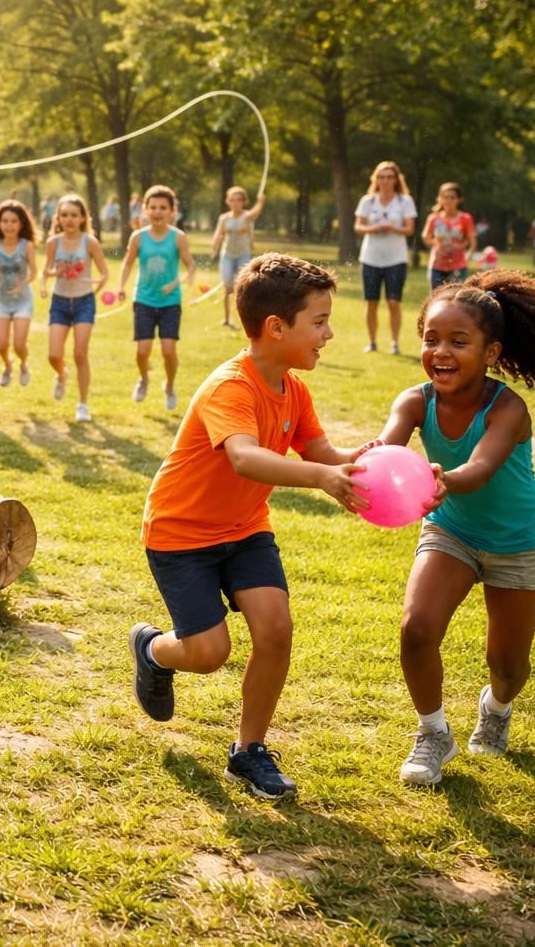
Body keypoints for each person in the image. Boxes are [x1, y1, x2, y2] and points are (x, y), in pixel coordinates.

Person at [129, 253, 381, 799]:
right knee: (208, 654)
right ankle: (152, 650)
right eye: (319, 322)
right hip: (182, 534)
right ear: (275, 327)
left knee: (275, 629)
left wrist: (374, 462)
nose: (329, 333)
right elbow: (244, 457)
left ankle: (248, 752)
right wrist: (320, 476)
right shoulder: (232, 387)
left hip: (244, 528)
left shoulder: (294, 388)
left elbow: (323, 452)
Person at [379, 270, 535, 786]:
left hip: (517, 542)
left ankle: (496, 709)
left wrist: (441, 479)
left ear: (491, 352)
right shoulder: (414, 401)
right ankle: (434, 734)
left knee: (507, 665)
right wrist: (361, 468)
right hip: (451, 529)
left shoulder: (508, 409)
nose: (441, 352)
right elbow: (385, 449)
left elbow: (479, 468)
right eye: (431, 339)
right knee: (416, 628)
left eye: (458, 341)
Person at [120, 185, 198, 411]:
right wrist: (121, 286)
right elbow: (127, 263)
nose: (157, 211)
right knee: (142, 351)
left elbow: (191, 267)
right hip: (143, 300)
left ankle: (170, 386)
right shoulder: (138, 237)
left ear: (172, 211)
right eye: (152, 207)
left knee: (168, 351)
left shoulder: (178, 237)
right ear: (144, 210)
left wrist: (177, 282)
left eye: (163, 207)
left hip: (170, 302)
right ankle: (143, 379)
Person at [39, 193, 109, 422]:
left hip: (84, 302)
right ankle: (61, 374)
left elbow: (104, 273)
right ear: (58, 217)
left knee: (80, 354)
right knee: (53, 354)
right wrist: (51, 275)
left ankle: (82, 405)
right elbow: (45, 271)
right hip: (59, 302)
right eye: (64, 215)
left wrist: (97, 287)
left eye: (74, 215)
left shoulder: (90, 242)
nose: (69, 219)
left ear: (82, 218)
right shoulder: (53, 243)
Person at [354, 160, 417, 354]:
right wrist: (373, 228)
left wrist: (393, 228)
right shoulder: (368, 200)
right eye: (382, 176)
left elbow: (409, 229)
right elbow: (358, 226)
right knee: (371, 302)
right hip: (371, 258)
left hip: (396, 259)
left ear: (396, 180)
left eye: (390, 177)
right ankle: (372, 342)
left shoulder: (404, 201)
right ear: (376, 179)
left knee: (393, 302)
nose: (386, 180)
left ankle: (394, 342)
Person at [0, 199, 38, 389]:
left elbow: (35, 272)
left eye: (13, 221)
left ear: (21, 224)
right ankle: (7, 366)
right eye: (5, 221)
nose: (9, 225)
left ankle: (23, 364)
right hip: (1, 301)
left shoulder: (27, 246)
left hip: (22, 302)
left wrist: (23, 284)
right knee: (1, 345)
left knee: (19, 345)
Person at [210, 186, 266, 330]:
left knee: (241, 289)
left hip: (243, 255)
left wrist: (260, 202)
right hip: (227, 256)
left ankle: (243, 319)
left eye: (239, 200)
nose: (236, 203)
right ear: (228, 202)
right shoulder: (224, 218)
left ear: (244, 202)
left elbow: (255, 212)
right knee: (228, 288)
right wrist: (214, 247)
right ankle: (227, 319)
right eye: (232, 200)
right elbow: (218, 234)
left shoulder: (246, 217)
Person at [422, 182, 477, 290]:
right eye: (445, 197)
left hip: (458, 266)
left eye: (452, 197)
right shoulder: (434, 218)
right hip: (437, 265)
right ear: (440, 199)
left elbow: (473, 241)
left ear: (459, 199)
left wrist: (468, 257)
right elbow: (426, 238)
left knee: (455, 298)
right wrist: (436, 241)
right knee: (436, 298)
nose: (449, 201)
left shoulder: (465, 218)